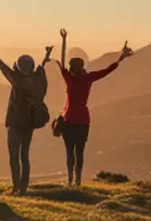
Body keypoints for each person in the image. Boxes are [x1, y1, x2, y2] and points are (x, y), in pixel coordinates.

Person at [51, 28, 133, 186]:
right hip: (83, 121)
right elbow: (107, 70)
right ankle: (78, 180)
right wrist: (121, 58)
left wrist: (64, 40)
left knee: (70, 152)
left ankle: (70, 180)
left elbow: (61, 63)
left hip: (68, 120)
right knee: (79, 152)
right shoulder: (88, 78)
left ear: (72, 67)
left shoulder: (70, 79)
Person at [0, 38, 53, 194]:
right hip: (29, 124)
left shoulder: (18, 81)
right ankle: (24, 188)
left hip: (16, 124)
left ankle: (16, 186)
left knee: (14, 156)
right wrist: (46, 56)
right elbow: (40, 70)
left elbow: (4, 68)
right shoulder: (38, 82)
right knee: (25, 156)